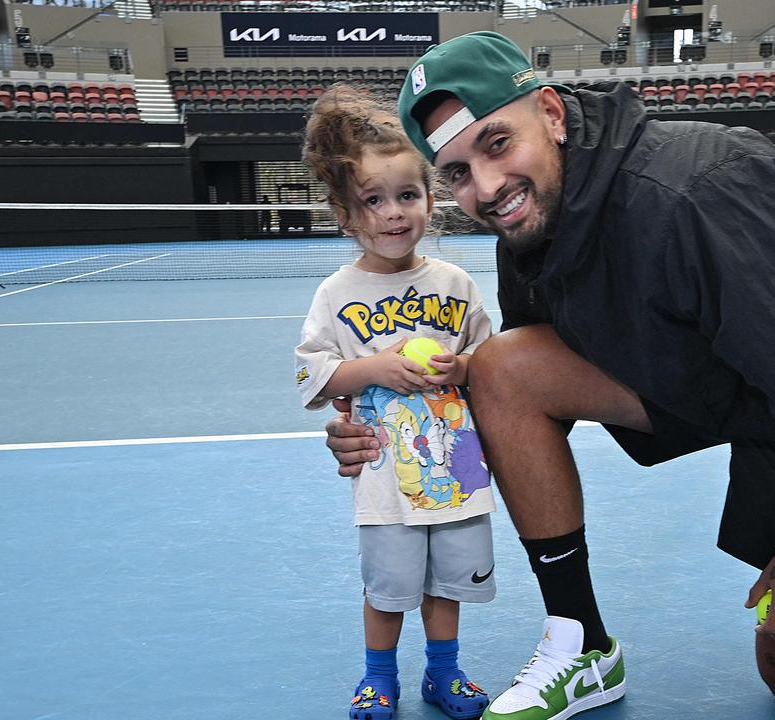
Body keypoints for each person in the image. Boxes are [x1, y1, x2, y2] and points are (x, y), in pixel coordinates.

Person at [324, 32, 775, 720]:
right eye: (456, 172)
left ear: (549, 112)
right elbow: (524, 391)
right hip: (709, 363)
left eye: (496, 143)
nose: (485, 186)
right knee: (501, 367)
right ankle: (583, 647)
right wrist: (387, 430)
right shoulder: (532, 219)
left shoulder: (698, 193)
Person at [297, 84, 496, 720]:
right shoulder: (336, 291)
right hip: (385, 469)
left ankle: (445, 672)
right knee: (389, 586)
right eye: (373, 201)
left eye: (407, 195)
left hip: (456, 464)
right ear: (346, 215)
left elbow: (492, 366)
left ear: (430, 200)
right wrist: (370, 369)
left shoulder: (455, 283)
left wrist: (461, 365)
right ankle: (379, 677)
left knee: (449, 577)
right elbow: (314, 375)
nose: (392, 213)